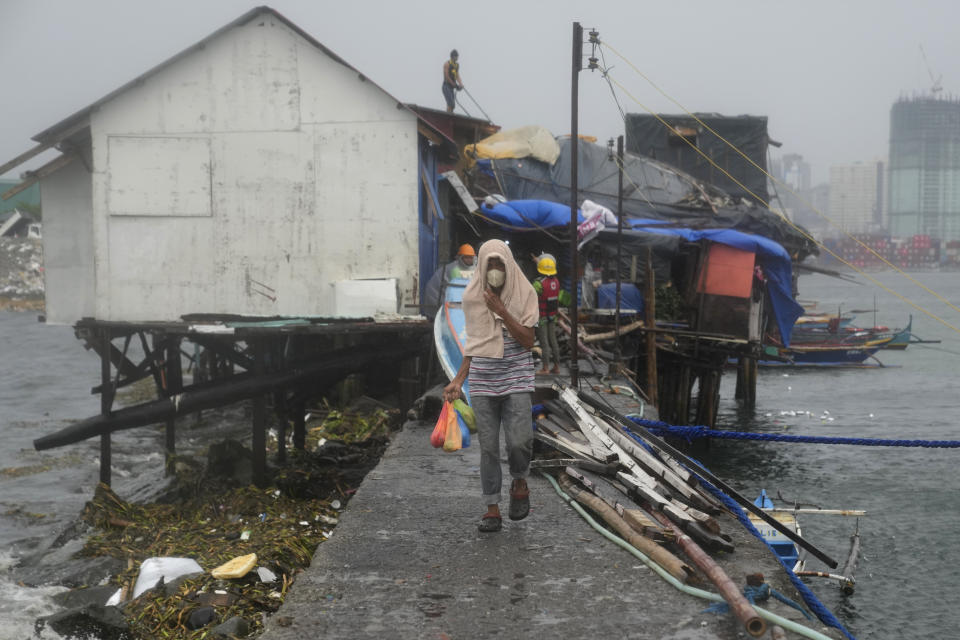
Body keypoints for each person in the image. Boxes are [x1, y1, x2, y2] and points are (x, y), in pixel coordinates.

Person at [443, 239, 539, 533]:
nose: (495, 269)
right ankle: (492, 508)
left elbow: (527, 340)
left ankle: (519, 481)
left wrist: (502, 311)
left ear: (509, 265)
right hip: (484, 379)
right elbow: (474, 343)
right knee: (488, 449)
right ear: (482, 267)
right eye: (490, 264)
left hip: (517, 376)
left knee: (519, 442)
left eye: (500, 264)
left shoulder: (525, 293)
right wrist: (458, 380)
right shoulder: (473, 297)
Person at [532, 253, 565, 375]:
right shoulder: (556, 282)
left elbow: (531, 297)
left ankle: (545, 368)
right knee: (553, 341)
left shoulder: (538, 283)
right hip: (552, 316)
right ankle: (556, 367)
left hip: (542, 318)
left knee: (544, 343)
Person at [422, 244, 476, 319]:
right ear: (460, 257)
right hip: (436, 300)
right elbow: (458, 291)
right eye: (466, 257)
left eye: (471, 257)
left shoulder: (471, 269)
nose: (469, 260)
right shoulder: (454, 269)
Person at [442, 49, 464, 113]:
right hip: (446, 86)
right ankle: (448, 115)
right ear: (452, 56)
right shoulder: (447, 64)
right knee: (451, 103)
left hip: (451, 87)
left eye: (457, 56)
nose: (457, 58)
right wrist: (454, 85)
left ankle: (450, 113)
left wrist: (460, 84)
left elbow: (457, 75)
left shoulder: (456, 65)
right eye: (456, 56)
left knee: (453, 105)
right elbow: (447, 76)